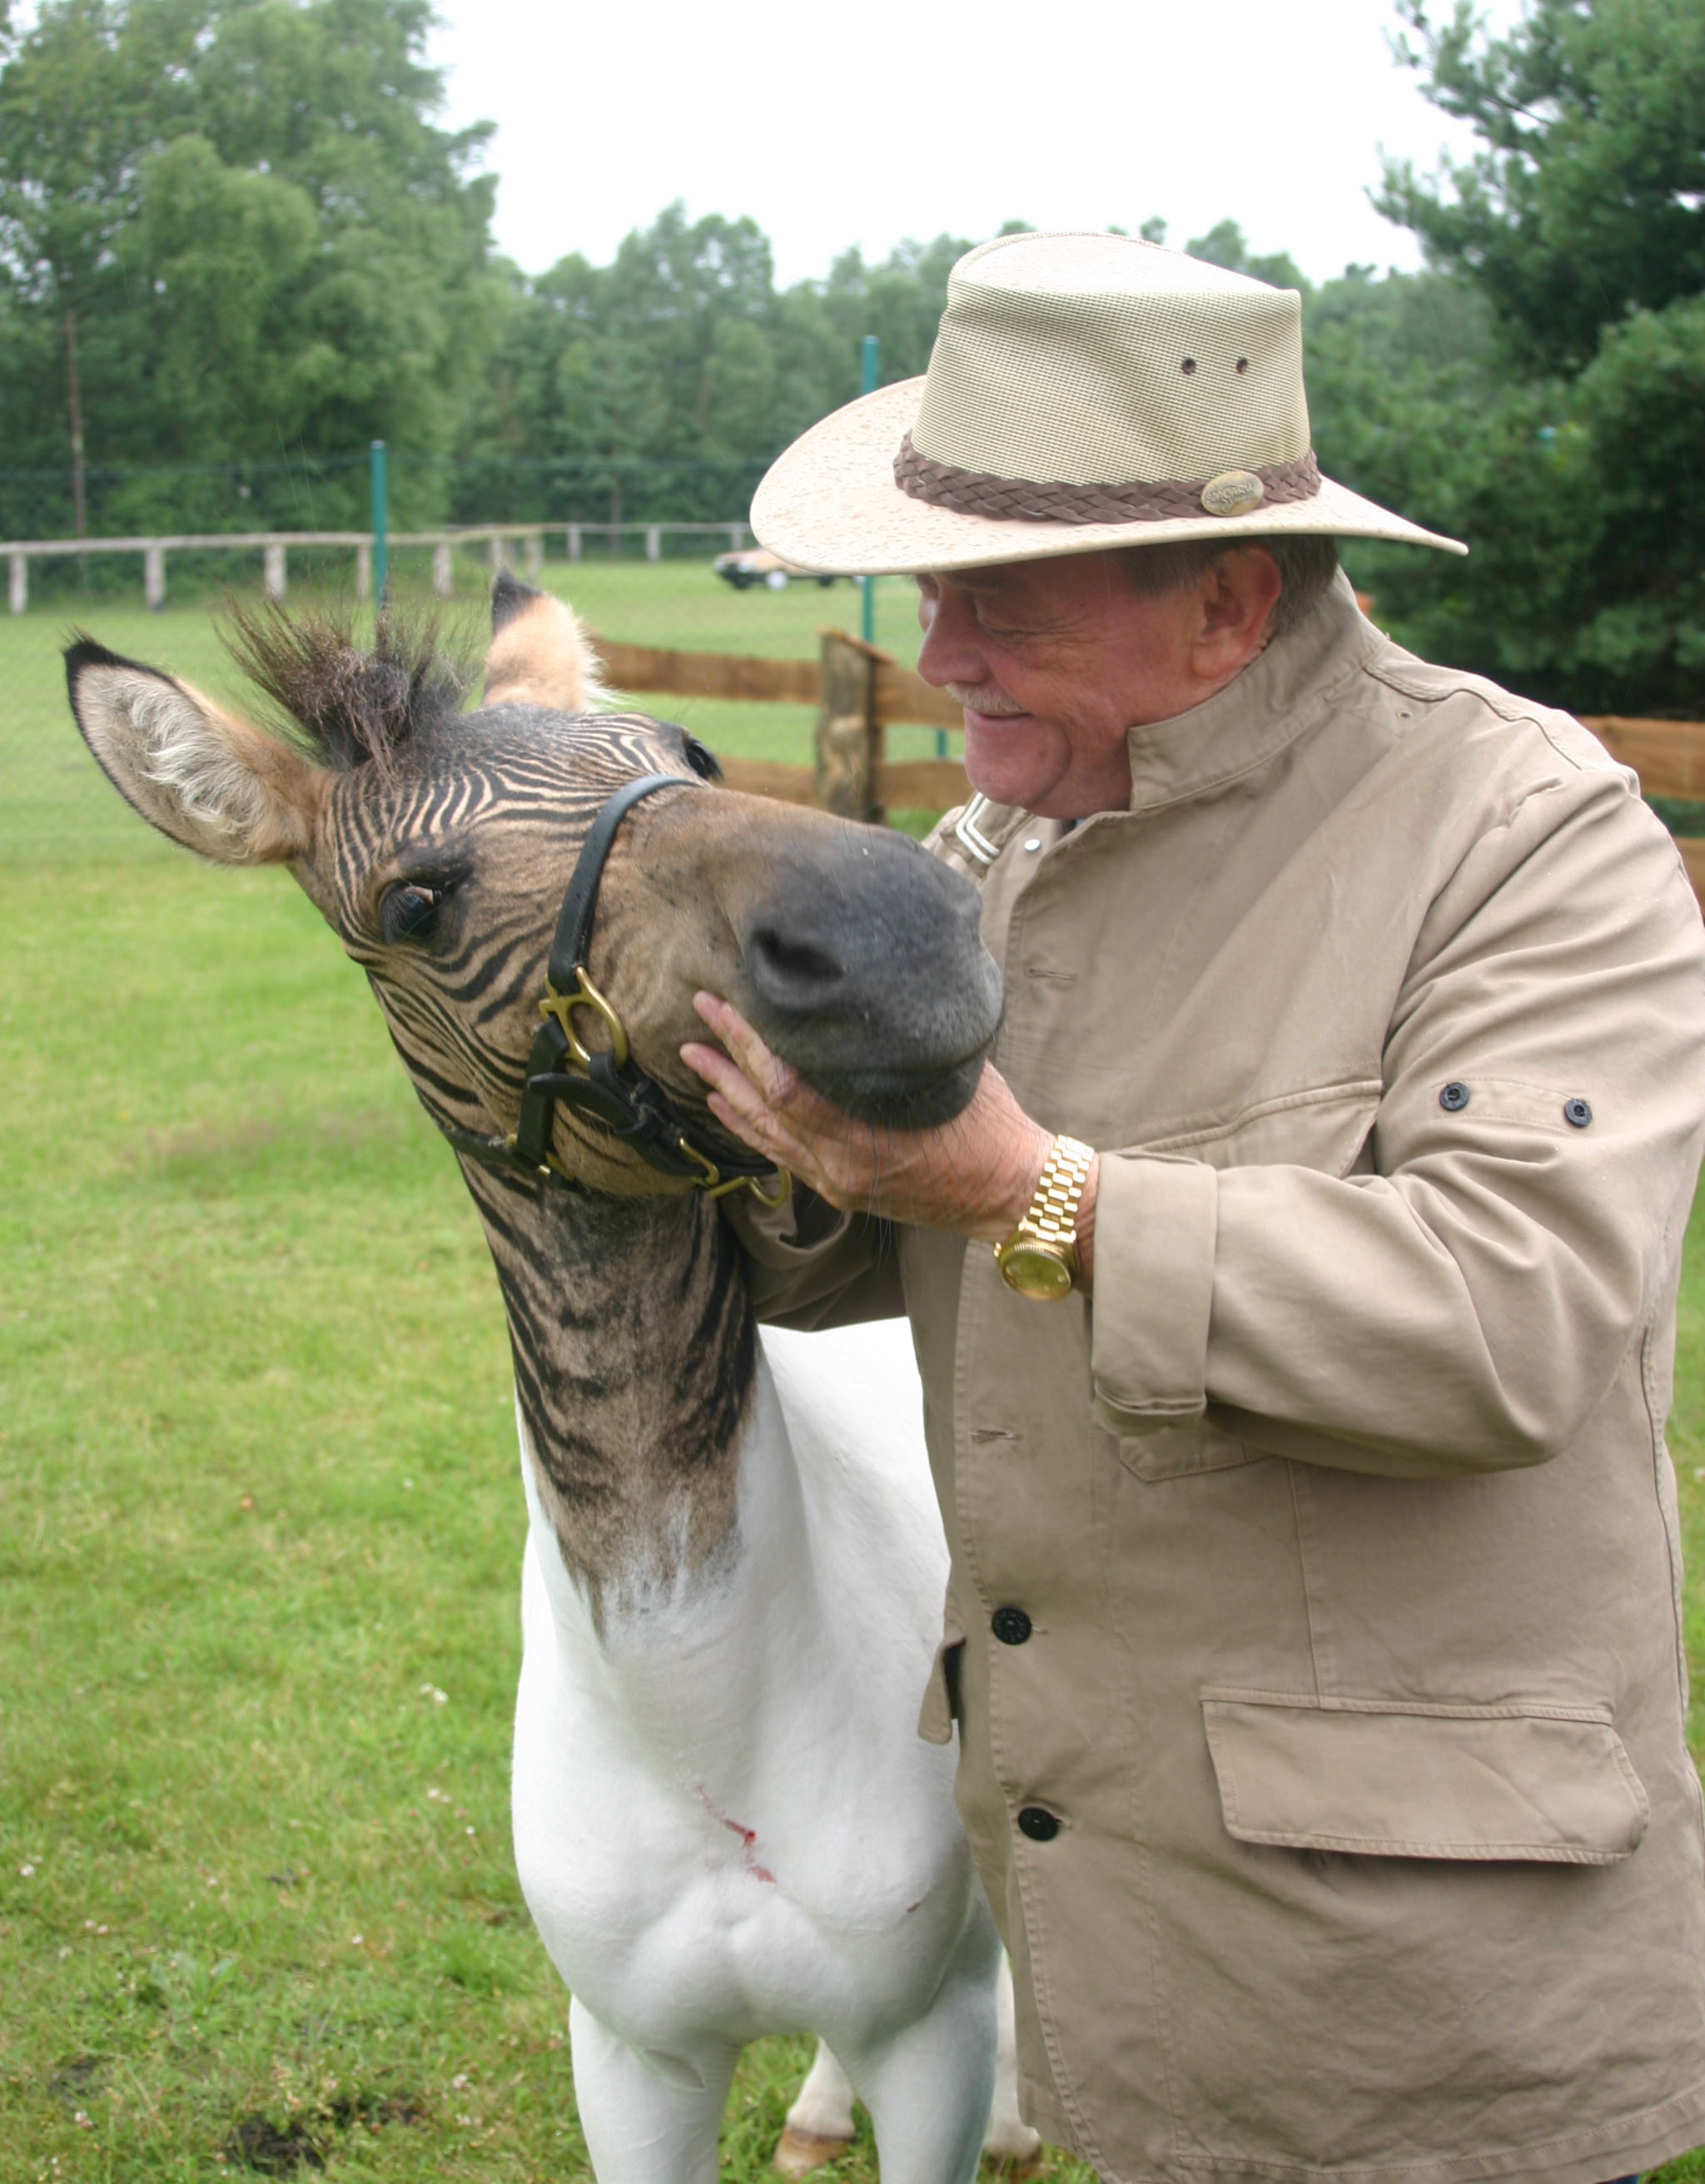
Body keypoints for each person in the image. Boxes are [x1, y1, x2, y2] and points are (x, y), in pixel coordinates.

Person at [681, 232, 1705, 2184]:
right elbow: (868, 1239)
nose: (938, 655)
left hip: (1415, 1974)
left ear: (1231, 601)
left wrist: (1029, 1192)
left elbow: (1505, 1320)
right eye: (929, 586)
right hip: (1121, 1909)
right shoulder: (992, 842)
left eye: (1003, 603)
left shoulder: (1522, 833)